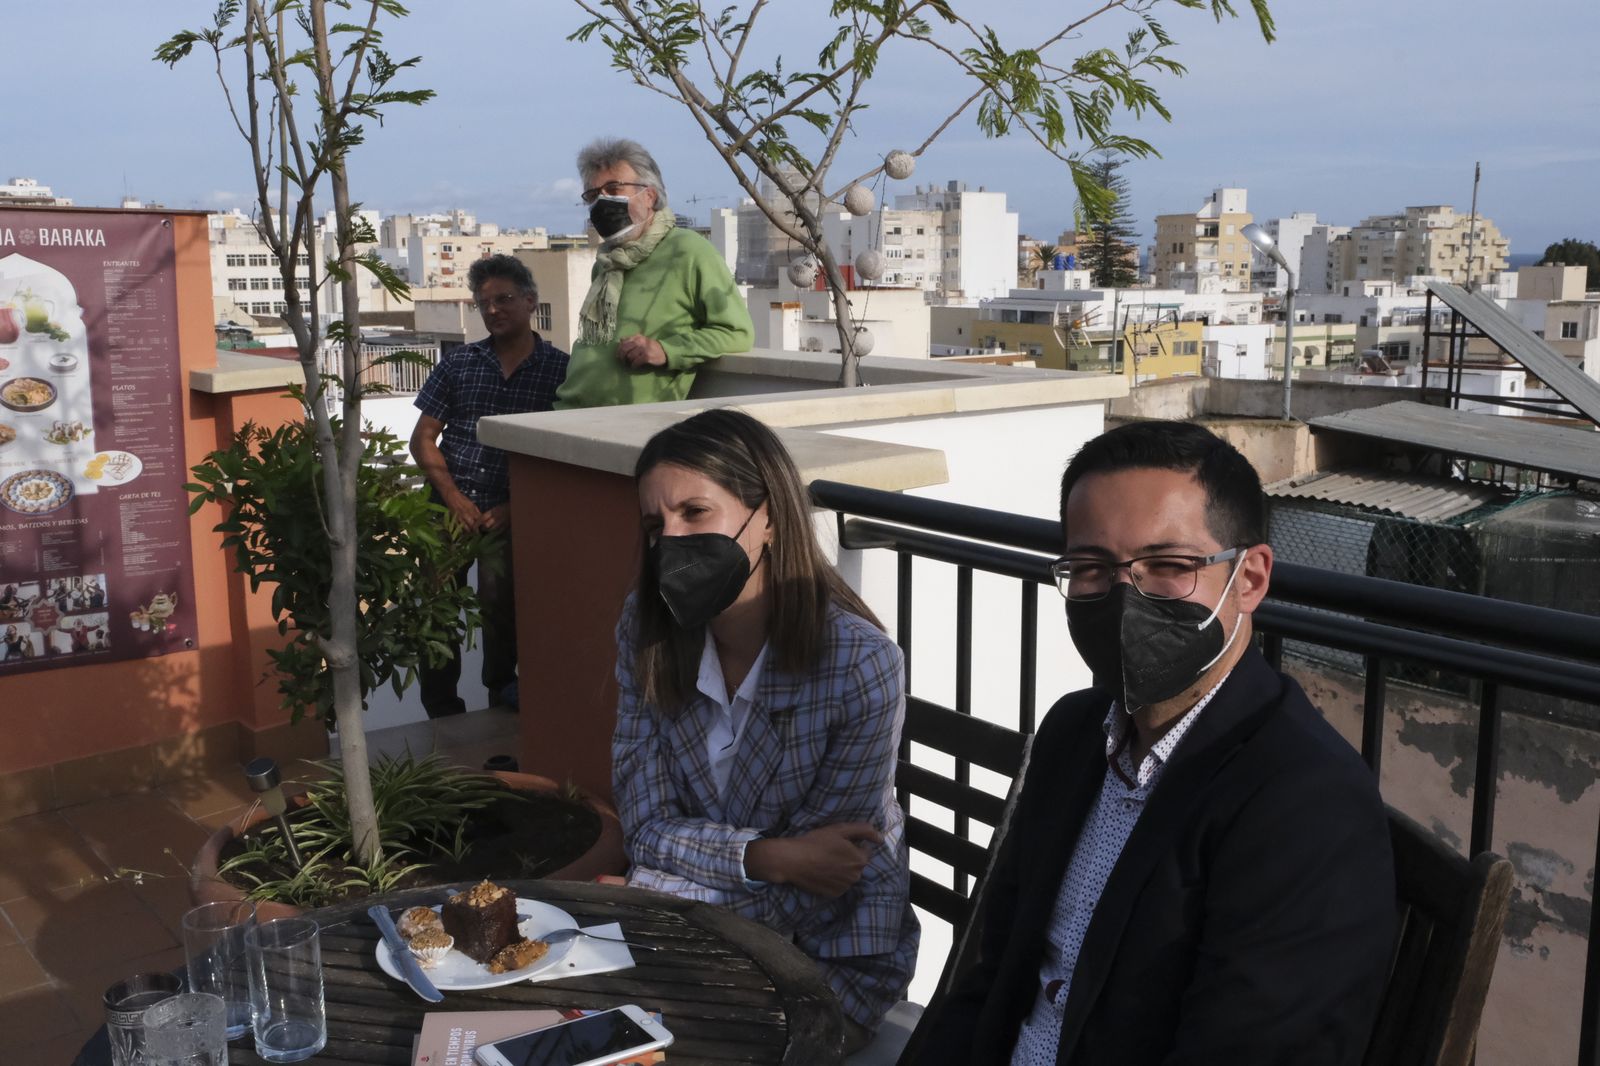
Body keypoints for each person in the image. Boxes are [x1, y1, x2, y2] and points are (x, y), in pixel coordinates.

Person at [918, 420, 1397, 1066]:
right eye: (1092, 568)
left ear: (1250, 579)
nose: (1124, 596)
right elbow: (993, 974)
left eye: (1168, 566)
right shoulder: (1073, 736)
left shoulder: (1305, 805)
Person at [612, 408, 919, 1051]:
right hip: (696, 947)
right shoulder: (647, 626)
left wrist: (655, 909)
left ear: (769, 518)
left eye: (696, 514)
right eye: (654, 524)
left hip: (829, 965)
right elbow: (645, 827)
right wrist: (769, 856)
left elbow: (825, 886)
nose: (671, 540)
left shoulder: (858, 666)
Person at [410, 254, 570, 717]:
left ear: (530, 302)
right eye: (485, 303)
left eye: (504, 299)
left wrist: (515, 508)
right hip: (447, 507)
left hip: (511, 511)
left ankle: (502, 690)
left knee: (503, 607)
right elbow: (422, 438)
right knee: (438, 609)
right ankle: (441, 707)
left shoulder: (561, 371)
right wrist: (453, 496)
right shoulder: (459, 363)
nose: (494, 310)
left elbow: (559, 457)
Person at [554, 138, 753, 409]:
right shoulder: (607, 260)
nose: (602, 202)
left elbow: (737, 332)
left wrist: (666, 351)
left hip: (633, 421)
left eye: (613, 188)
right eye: (593, 195)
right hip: (570, 411)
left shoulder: (688, 250)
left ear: (650, 195)